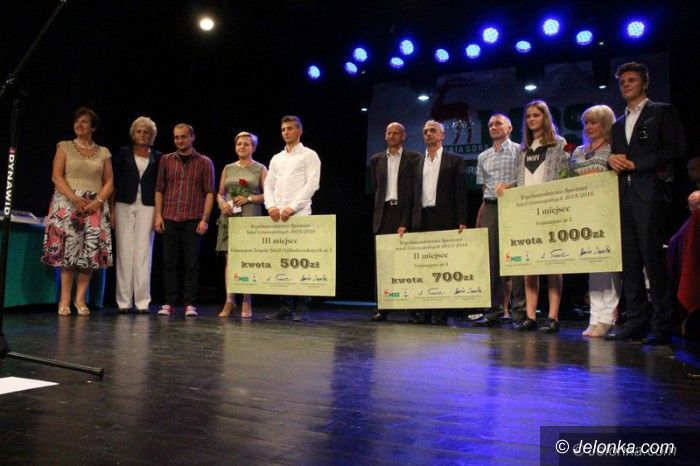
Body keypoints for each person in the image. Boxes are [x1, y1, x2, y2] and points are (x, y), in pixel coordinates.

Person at [606, 62, 686, 345]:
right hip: (624, 196)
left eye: (632, 80)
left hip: (650, 193)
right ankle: (636, 322)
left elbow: (676, 149)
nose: (626, 84)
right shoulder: (617, 124)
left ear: (645, 83)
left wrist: (638, 164)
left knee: (653, 261)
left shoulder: (661, 111)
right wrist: (611, 160)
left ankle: (662, 325)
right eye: (622, 81)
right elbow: (617, 157)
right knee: (629, 263)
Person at [503, 100, 569, 332]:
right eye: (528, 116)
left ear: (545, 117)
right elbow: (520, 180)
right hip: (527, 212)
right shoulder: (523, 149)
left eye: (536, 115)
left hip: (551, 211)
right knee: (529, 262)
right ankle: (530, 316)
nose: (531, 119)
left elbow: (565, 175)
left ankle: (552, 316)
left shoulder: (558, 144)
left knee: (553, 263)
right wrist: (507, 187)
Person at [41, 107, 113, 316]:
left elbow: (109, 181)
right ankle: (64, 300)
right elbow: (56, 176)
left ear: (93, 127)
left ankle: (80, 299)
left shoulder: (104, 152)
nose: (79, 125)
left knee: (89, 255)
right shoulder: (64, 146)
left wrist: (98, 201)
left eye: (84, 122)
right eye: (77, 121)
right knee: (68, 254)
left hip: (94, 207)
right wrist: (74, 198)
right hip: (68, 204)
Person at [568, 105, 621, 337]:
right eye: (586, 123)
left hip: (606, 209)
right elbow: (569, 178)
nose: (589, 127)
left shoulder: (613, 148)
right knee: (591, 264)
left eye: (594, 122)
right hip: (583, 211)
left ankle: (608, 317)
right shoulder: (579, 151)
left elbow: (616, 175)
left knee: (606, 263)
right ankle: (594, 316)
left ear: (606, 124)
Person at [410, 120, 468, 325]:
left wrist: (462, 220)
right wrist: (406, 222)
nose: (428, 134)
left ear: (442, 135)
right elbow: (411, 195)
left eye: (432, 130)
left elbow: (460, 192)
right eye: (425, 131)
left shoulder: (454, 160)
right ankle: (423, 311)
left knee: (443, 266)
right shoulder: (416, 162)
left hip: (444, 218)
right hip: (421, 218)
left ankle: (440, 312)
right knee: (423, 266)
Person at [263, 115, 321, 321]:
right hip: (279, 217)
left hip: (300, 216)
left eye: (290, 128)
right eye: (283, 129)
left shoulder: (309, 155)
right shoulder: (276, 158)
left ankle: (302, 307)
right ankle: (285, 307)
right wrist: (271, 206)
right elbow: (268, 184)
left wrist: (293, 207)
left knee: (301, 261)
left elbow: (312, 184)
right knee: (283, 262)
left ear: (299, 131)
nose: (286, 132)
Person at [154, 123, 215, 317]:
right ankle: (169, 303)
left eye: (183, 136)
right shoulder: (166, 160)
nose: (179, 140)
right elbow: (159, 189)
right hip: (170, 217)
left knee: (191, 263)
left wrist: (205, 219)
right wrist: (158, 215)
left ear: (192, 137)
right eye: (176, 137)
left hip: (193, 218)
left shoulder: (204, 162)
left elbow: (209, 192)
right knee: (169, 262)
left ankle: (190, 303)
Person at [369, 122, 420, 322]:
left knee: (408, 263)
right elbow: (376, 188)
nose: (391, 136)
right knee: (383, 263)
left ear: (403, 136)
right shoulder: (376, 160)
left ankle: (413, 309)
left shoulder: (414, 158)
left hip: (404, 212)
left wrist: (406, 220)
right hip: (384, 214)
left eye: (395, 133)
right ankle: (381, 307)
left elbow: (415, 190)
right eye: (388, 133)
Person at [110, 116, 162, 314]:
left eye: (146, 132)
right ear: (133, 134)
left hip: (148, 206)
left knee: (144, 251)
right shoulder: (123, 153)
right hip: (123, 203)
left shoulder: (158, 157)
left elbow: (160, 187)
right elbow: (113, 182)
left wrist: (159, 213)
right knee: (124, 252)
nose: (142, 134)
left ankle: (142, 301)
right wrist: (111, 209)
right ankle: (124, 301)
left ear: (152, 136)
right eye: (139, 131)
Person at [472, 114, 519, 327]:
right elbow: (484, 187)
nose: (493, 126)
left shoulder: (519, 150)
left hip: (515, 205)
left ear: (509, 128)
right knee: (491, 260)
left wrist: (509, 187)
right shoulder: (483, 156)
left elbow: (525, 179)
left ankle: (519, 311)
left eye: (498, 123)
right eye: (490, 124)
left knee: (516, 256)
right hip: (491, 206)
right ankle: (493, 311)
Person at [215, 132, 267, 318]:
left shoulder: (260, 168)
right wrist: (222, 203)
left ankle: (247, 299)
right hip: (229, 216)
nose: (242, 147)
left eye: (246, 144)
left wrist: (248, 198)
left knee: (247, 258)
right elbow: (220, 193)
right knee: (230, 259)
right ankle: (229, 300)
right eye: (239, 144)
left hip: (250, 216)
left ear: (253, 147)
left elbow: (269, 195)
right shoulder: (228, 168)